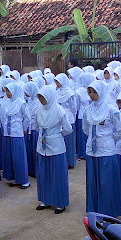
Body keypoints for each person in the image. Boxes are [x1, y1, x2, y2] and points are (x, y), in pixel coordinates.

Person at [83, 80, 121, 216]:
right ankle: (94, 210)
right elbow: (85, 129)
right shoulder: (88, 110)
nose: (92, 95)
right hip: (91, 151)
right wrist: (93, 140)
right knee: (92, 182)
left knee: (106, 183)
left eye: (95, 92)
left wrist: (109, 140)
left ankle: (108, 212)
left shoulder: (111, 109)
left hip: (106, 151)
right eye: (90, 92)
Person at [34, 85, 72, 214]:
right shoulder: (39, 110)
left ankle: (60, 202)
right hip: (42, 145)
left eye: (43, 97)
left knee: (57, 175)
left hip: (56, 147)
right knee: (44, 174)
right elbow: (37, 126)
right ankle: (46, 199)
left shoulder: (59, 110)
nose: (41, 99)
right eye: (39, 97)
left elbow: (68, 129)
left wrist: (56, 135)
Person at [0, 82, 30, 189]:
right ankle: (16, 178)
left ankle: (24, 180)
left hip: (17, 133)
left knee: (18, 157)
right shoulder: (6, 102)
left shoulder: (21, 103)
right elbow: (2, 117)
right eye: (6, 91)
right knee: (10, 156)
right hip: (8, 133)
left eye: (9, 91)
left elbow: (27, 118)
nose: (8, 93)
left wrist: (24, 129)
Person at [54, 73, 78, 169]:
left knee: (69, 141)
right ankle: (63, 160)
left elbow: (74, 107)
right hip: (59, 119)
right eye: (56, 81)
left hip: (69, 118)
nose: (57, 83)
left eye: (58, 81)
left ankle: (70, 161)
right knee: (62, 141)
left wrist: (71, 117)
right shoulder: (56, 92)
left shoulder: (70, 93)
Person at [22, 81, 40, 177]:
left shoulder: (38, 102)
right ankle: (31, 170)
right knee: (30, 150)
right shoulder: (30, 101)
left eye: (27, 91)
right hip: (29, 128)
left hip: (35, 128)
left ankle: (37, 171)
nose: (25, 94)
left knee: (36, 150)